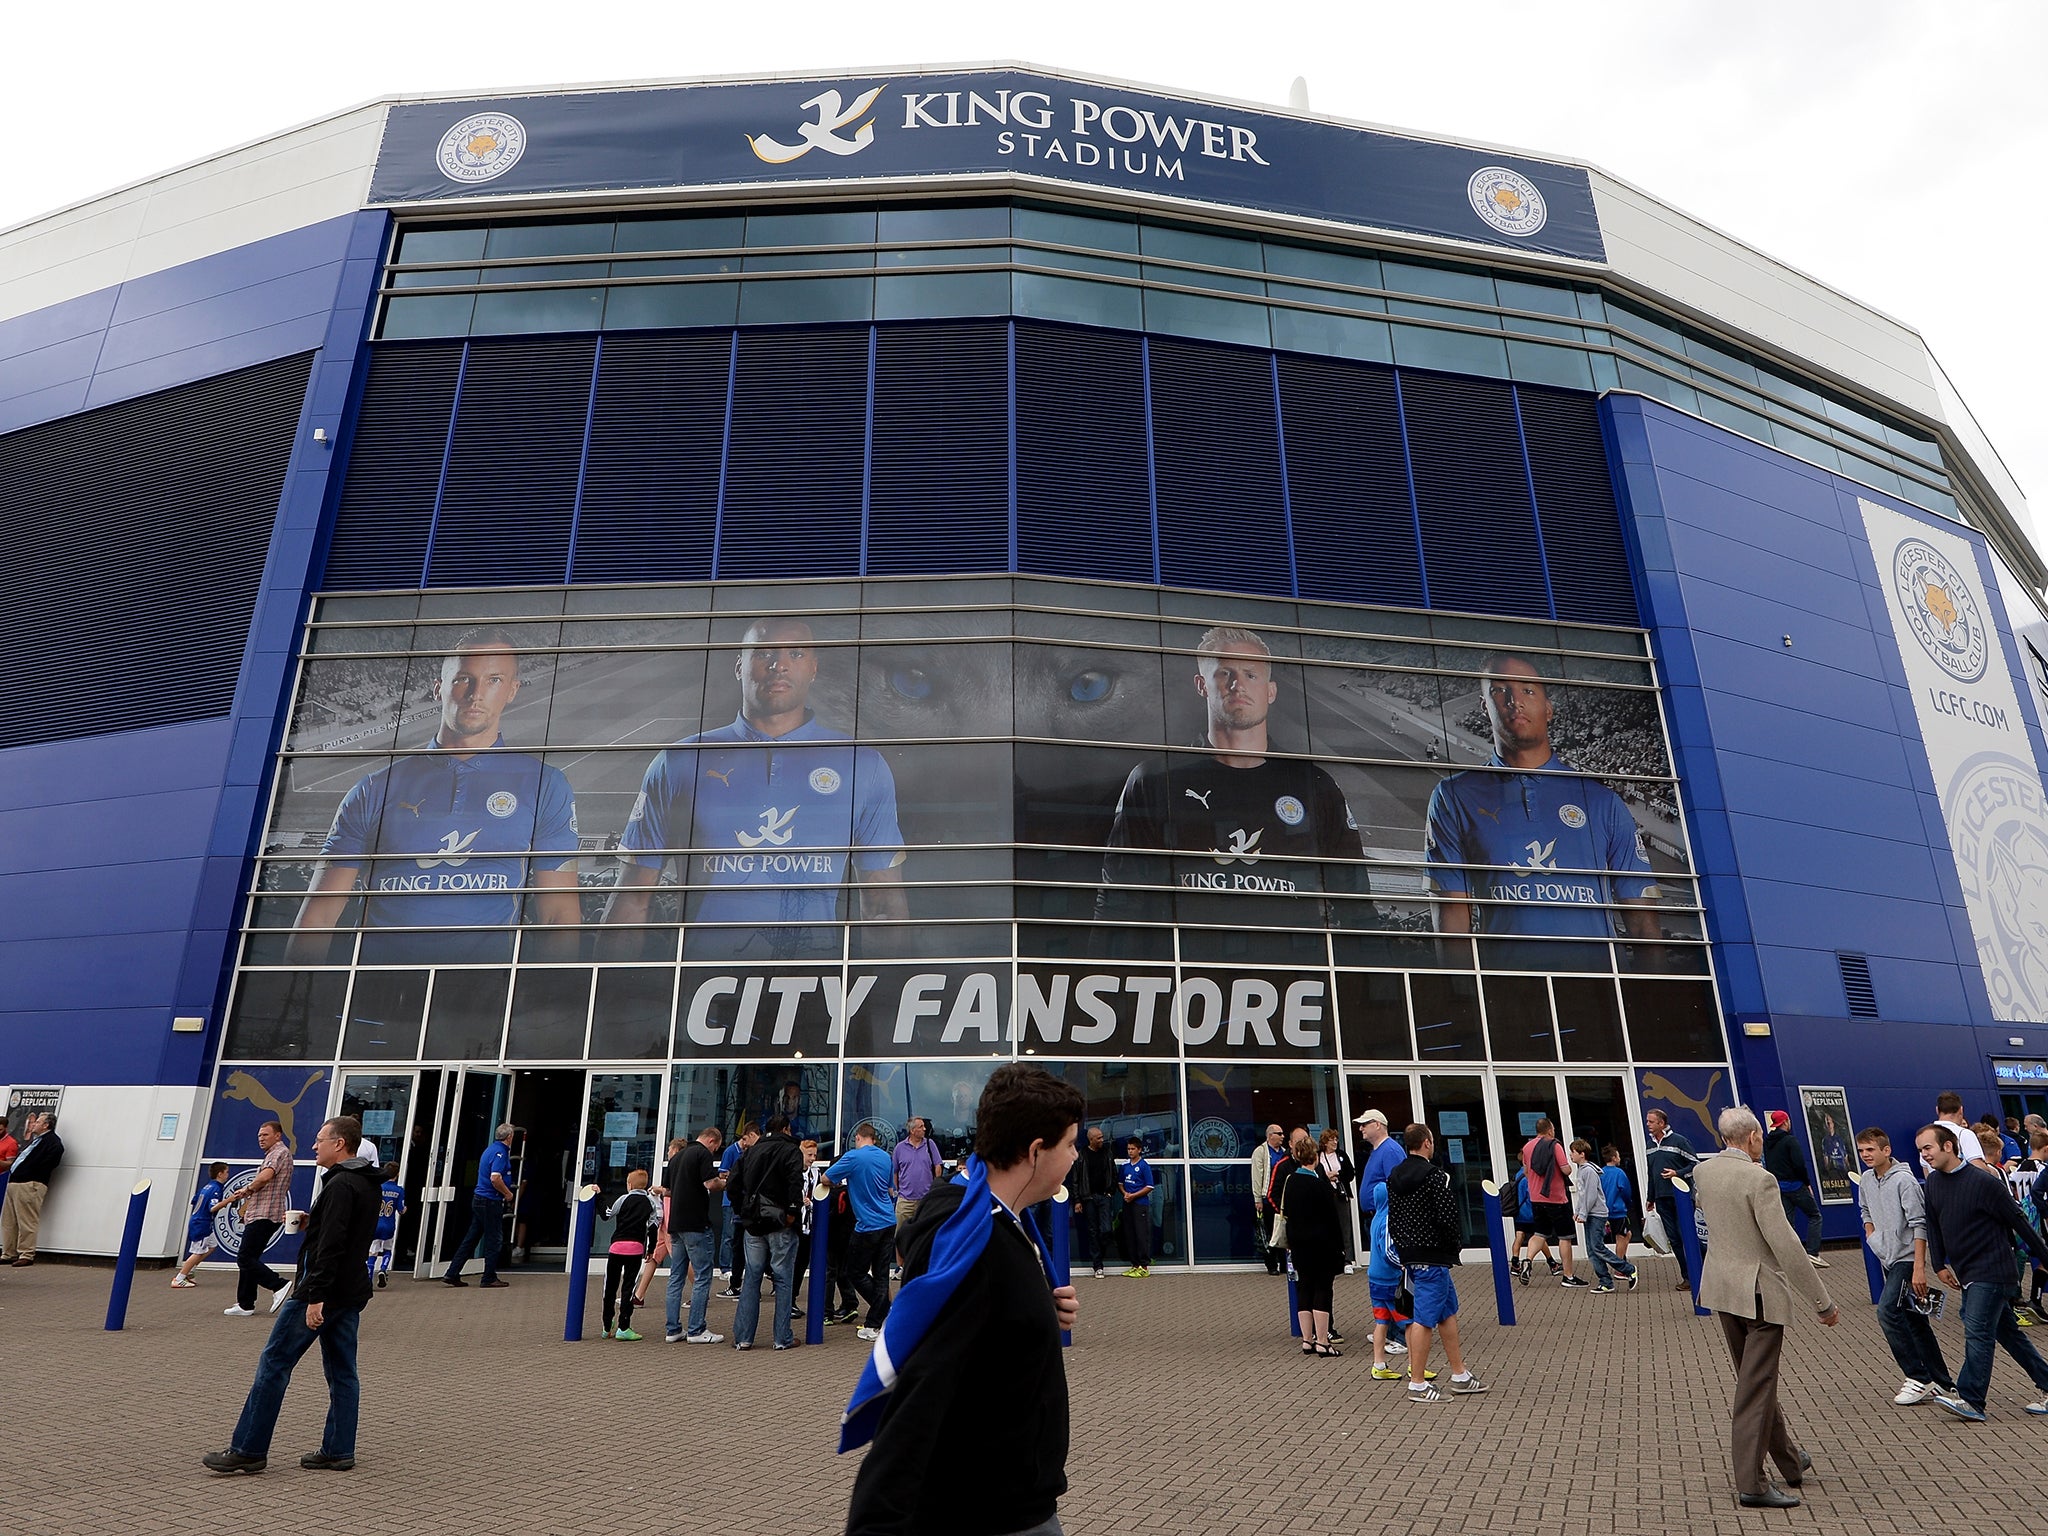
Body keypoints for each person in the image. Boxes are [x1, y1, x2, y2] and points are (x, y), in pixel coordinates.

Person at [841, 1063, 1083, 1535]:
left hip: (1016, 1501)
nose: (1075, 1156)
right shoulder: (975, 1244)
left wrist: (1038, 1310)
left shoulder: (994, 1219)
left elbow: (987, 1328)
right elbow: (921, 1390)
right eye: (1070, 1144)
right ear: (1036, 1151)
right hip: (993, 1513)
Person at [607, 616, 907, 962]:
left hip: (813, 992)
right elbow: (632, 898)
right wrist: (612, 1002)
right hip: (701, 990)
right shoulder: (679, 762)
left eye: (795, 654)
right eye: (764, 653)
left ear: (814, 668)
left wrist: (888, 1001)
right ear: (739, 666)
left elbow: (883, 904)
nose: (779, 665)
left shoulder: (862, 764)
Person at [290, 628, 581, 965]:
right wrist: (294, 1004)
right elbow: (319, 915)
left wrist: (556, 1003)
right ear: (438, 687)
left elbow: (558, 915)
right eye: (463, 679)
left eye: (494, 680)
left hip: (483, 999)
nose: (476, 694)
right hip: (374, 997)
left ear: (513, 690)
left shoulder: (546, 784)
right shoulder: (373, 788)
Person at [1097, 626, 1365, 932]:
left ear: (1271, 691)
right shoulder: (1155, 780)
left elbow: (1356, 909)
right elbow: (1118, 905)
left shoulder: (1314, 785)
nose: (1238, 685)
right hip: (1187, 975)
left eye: (1251, 674)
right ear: (1202, 685)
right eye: (1225, 673)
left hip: (1295, 976)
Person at [1425, 653, 1661, 949]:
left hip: (1596, 989)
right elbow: (1452, 916)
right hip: (1509, 987)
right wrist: (1462, 994)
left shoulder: (1601, 800)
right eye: (1500, 690)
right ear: (1485, 706)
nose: (1515, 701)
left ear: (1548, 708)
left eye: (1528, 690)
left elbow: (1642, 923)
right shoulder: (1454, 795)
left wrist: (1653, 994)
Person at [203, 1115, 381, 1475]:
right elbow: (347, 1234)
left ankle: (249, 1448)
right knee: (343, 1372)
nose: (314, 1147)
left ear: (340, 1145)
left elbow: (332, 1245)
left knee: (274, 1364)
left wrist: (315, 1296)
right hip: (350, 1291)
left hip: (320, 1291)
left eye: (320, 1140)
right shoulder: (366, 1183)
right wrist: (311, 1221)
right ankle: (338, 1449)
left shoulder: (340, 1184)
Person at [1693, 1105, 1837, 1509]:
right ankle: (1752, 1484)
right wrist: (1821, 1301)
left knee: (1756, 1381)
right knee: (1755, 1389)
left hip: (1721, 1289)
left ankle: (1791, 1462)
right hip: (1758, 1292)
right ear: (1754, 1136)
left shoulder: (1704, 1172)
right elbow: (1787, 1245)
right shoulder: (1760, 1179)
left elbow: (1704, 1213)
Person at [1914, 1120, 2048, 1420]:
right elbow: (1933, 1223)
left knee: (1976, 1330)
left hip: (1993, 1270)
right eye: (1920, 1151)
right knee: (2010, 1335)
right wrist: (1938, 1264)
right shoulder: (1934, 1182)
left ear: (1948, 1146)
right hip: (1966, 1271)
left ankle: (1972, 1399)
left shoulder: (1985, 1182)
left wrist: (2045, 1257)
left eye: (1928, 1148)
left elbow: (2019, 1222)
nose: (1925, 1155)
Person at [1384, 1123, 1487, 1401]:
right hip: (1433, 1256)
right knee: (1424, 1319)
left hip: (1411, 1255)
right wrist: (1453, 1247)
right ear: (1427, 1143)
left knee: (1447, 1311)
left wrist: (1404, 1249)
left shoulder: (1394, 1176)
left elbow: (1392, 1218)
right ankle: (1417, 1383)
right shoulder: (1436, 1176)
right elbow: (1447, 1218)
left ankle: (1460, 1374)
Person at [1854, 1126, 1955, 1405]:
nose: (1866, 1155)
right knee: (1915, 1320)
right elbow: (1864, 1210)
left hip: (1907, 1260)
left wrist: (1919, 1268)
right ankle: (1943, 1382)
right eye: (1862, 1151)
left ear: (1886, 1150)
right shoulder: (1865, 1180)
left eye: (1871, 1150)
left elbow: (1919, 1225)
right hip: (1886, 1257)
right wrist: (1872, 1235)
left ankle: (1918, 1376)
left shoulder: (1905, 1182)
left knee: (1887, 1312)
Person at [730, 1114, 804, 1351]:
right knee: (783, 1279)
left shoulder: (750, 1152)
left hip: (753, 1221)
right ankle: (781, 1337)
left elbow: (733, 1184)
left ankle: (743, 1337)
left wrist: (742, 1208)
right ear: (786, 1129)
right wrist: (792, 1211)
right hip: (781, 1220)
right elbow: (795, 1182)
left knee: (751, 1277)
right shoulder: (791, 1150)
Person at [823, 1122, 897, 1342]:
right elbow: (891, 1189)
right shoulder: (885, 1157)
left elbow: (826, 1178)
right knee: (881, 1273)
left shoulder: (853, 1157)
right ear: (874, 1138)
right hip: (888, 1221)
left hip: (867, 1224)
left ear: (857, 1138)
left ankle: (882, 1310)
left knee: (854, 1272)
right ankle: (876, 1323)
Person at [1275, 1130, 1343, 1355]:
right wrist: (1340, 1247)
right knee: (1322, 1289)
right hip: (1321, 1244)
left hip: (1298, 1243)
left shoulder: (1290, 1181)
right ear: (1314, 1156)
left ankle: (1306, 1339)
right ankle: (1323, 1340)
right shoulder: (1320, 1185)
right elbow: (1333, 1219)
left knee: (1304, 1287)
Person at [662, 1124, 726, 1345]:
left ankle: (672, 1329)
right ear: (712, 1141)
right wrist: (726, 1182)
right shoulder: (702, 1154)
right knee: (702, 1276)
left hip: (676, 1224)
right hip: (696, 1223)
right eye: (716, 1148)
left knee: (676, 1276)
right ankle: (696, 1329)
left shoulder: (678, 1157)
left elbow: (668, 1190)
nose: (714, 1152)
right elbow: (711, 1183)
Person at [223, 1120, 293, 1315]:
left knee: (244, 1258)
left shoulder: (278, 1153)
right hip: (261, 1212)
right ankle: (245, 1303)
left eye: (265, 1135)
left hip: (265, 1213)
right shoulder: (274, 1154)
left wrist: (247, 1189)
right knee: (250, 1258)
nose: (261, 1139)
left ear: (278, 1135)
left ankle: (278, 1285)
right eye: (259, 1136)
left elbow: (265, 1177)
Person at [442, 1122, 516, 1289]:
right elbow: (495, 1177)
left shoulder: (489, 1150)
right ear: (509, 1137)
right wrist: (508, 1193)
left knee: (471, 1238)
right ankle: (489, 1276)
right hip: (490, 1200)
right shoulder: (500, 1153)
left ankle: (452, 1272)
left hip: (480, 1199)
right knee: (494, 1239)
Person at [1364, 1179, 1417, 1380]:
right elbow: (1388, 1250)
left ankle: (1378, 1364)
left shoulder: (1377, 1217)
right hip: (1390, 1279)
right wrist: (1403, 1264)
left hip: (1375, 1279)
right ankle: (1414, 1364)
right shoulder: (1388, 1219)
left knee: (1381, 1322)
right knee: (1410, 1322)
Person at [1570, 1138, 1636, 1292]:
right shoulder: (1582, 1170)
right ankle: (1605, 1281)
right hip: (1591, 1213)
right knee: (1592, 1249)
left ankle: (1628, 1269)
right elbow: (1582, 1194)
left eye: (1572, 1152)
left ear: (1581, 1154)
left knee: (1597, 1247)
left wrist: (1583, 1213)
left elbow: (1591, 1195)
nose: (1570, 1156)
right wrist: (1578, 1211)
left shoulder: (1589, 1171)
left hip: (1596, 1214)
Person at [1520, 1118, 1579, 1285]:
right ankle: (1568, 1276)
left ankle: (1528, 1260)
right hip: (1556, 1198)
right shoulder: (1554, 1145)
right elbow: (1565, 1170)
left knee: (1539, 1233)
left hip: (1536, 1198)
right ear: (1550, 1130)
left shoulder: (1527, 1147)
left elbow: (1526, 1171)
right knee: (1564, 1237)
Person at [1762, 1110, 1826, 1265]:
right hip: (1795, 1185)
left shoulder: (1767, 1142)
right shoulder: (1790, 1141)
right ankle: (1812, 1253)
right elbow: (1799, 1164)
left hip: (1779, 1186)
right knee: (1814, 1216)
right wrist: (1807, 1183)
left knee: (1788, 1222)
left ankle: (1788, 1257)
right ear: (1785, 1122)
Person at [0, 1111, 63, 1267]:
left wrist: (31, 1172)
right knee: (9, 1221)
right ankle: (8, 1252)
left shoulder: (52, 1142)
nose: (33, 1124)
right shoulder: (36, 1141)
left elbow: (51, 1161)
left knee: (27, 1220)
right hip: (15, 1182)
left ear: (46, 1125)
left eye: (37, 1122)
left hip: (30, 1183)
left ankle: (26, 1253)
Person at [1645, 1108, 1698, 1288]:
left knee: (1687, 1236)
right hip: (1661, 1198)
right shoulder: (1650, 1145)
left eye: (1651, 1122)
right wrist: (1650, 1197)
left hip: (1681, 1197)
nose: (1648, 1125)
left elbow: (1695, 1165)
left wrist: (1677, 1173)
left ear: (1661, 1123)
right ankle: (1688, 1277)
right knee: (1674, 1239)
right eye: (1647, 1121)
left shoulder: (1679, 1141)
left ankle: (1702, 1271)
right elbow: (1650, 1174)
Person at [601, 1169, 656, 1341]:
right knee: (628, 1287)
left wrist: (599, 1198)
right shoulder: (650, 1202)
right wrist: (651, 1249)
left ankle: (606, 1324)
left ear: (629, 1185)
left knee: (610, 1286)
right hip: (636, 1249)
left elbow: (607, 1215)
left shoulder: (623, 1199)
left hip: (617, 1247)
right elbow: (653, 1228)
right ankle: (623, 1327)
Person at [174, 1163, 231, 1288]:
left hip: (199, 1220)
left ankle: (190, 1270)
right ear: (220, 1174)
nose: (228, 1175)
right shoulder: (216, 1188)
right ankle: (179, 1278)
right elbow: (212, 1208)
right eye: (226, 1172)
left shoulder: (207, 1186)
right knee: (198, 1252)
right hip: (202, 1223)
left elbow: (194, 1200)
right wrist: (229, 1200)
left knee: (212, 1245)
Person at [715, 1125, 756, 1294]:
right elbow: (722, 1173)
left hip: (744, 1203)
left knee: (740, 1240)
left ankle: (737, 1276)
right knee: (729, 1236)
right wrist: (735, 1175)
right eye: (744, 1140)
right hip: (730, 1202)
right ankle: (726, 1268)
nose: (745, 1143)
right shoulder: (731, 1151)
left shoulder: (752, 1152)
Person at [1077, 1126, 1117, 1278]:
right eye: (1099, 1138)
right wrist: (1077, 1200)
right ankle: (1098, 1265)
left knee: (1106, 1229)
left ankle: (1103, 1254)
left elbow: (1113, 1172)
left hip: (1104, 1196)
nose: (1102, 1140)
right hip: (1089, 1198)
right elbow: (1076, 1179)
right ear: (1091, 1139)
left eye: (1102, 1137)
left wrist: (1110, 1191)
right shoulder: (1082, 1155)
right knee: (1093, 1231)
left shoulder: (1107, 1152)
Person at [1251, 1123, 1291, 1275]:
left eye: (1283, 1134)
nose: (1282, 1136)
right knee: (1269, 1232)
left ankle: (1284, 1264)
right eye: (1279, 1134)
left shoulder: (1284, 1153)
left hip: (1281, 1199)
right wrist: (1258, 1199)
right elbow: (1257, 1176)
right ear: (1270, 1135)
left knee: (1282, 1231)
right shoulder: (1261, 1152)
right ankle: (1271, 1264)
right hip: (1267, 1198)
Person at [891, 1118, 944, 1230]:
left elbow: (938, 1165)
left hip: (925, 1199)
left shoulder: (930, 1144)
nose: (924, 1129)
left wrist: (935, 1186)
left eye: (924, 1126)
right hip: (905, 1201)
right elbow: (894, 1172)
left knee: (926, 1233)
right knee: (900, 1234)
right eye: (921, 1127)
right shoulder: (899, 1148)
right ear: (912, 1130)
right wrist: (897, 1191)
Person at [1316, 1127, 1357, 1270]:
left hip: (1340, 1195)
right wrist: (1326, 1177)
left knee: (1344, 1227)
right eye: (1331, 1139)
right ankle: (1329, 1258)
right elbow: (1315, 1174)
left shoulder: (1341, 1155)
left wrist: (1338, 1175)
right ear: (1324, 1142)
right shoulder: (1318, 1156)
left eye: (1336, 1139)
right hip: (1325, 1196)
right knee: (1326, 1227)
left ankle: (1347, 1260)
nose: (1334, 1142)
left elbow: (1351, 1173)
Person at [1118, 1137, 1156, 1277]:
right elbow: (1120, 1183)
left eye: (1133, 1149)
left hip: (1140, 1204)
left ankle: (1144, 1266)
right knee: (1130, 1234)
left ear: (1139, 1150)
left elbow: (1150, 1186)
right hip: (1128, 1203)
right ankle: (1134, 1264)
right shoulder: (1125, 1165)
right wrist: (1125, 1194)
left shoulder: (1144, 1166)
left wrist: (1134, 1195)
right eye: (1128, 1149)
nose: (1130, 1151)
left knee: (1141, 1234)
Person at [1927, 1092, 1991, 1172]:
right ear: (1961, 1110)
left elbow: (1927, 1172)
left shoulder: (1926, 1136)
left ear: (1937, 1110)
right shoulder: (1964, 1134)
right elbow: (1978, 1167)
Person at [368, 1162, 405, 1290]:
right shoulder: (399, 1190)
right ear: (398, 1174)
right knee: (387, 1249)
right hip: (389, 1225)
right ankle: (383, 1269)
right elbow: (401, 1209)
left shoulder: (378, 1187)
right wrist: (404, 1209)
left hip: (375, 1224)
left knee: (373, 1252)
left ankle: (369, 1277)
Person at [1599, 1145, 1635, 1266]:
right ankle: (1619, 1266)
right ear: (1614, 1158)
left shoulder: (1601, 1173)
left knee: (1627, 1234)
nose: (1620, 1158)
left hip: (1605, 1211)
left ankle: (1621, 1260)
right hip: (1618, 1210)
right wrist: (1628, 1203)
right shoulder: (1619, 1173)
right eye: (1618, 1156)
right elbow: (1626, 1191)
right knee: (1621, 1237)